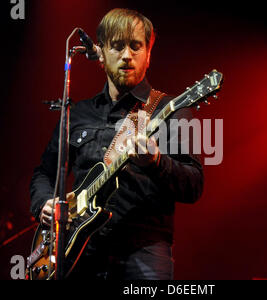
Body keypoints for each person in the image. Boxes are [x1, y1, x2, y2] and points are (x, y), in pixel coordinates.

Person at [29, 8, 204, 280]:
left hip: (143, 251)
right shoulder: (77, 113)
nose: (126, 56)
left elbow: (194, 185)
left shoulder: (169, 109)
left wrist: (157, 162)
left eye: (136, 47)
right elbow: (44, 173)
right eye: (117, 46)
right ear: (100, 54)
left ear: (149, 54)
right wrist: (43, 204)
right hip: (78, 253)